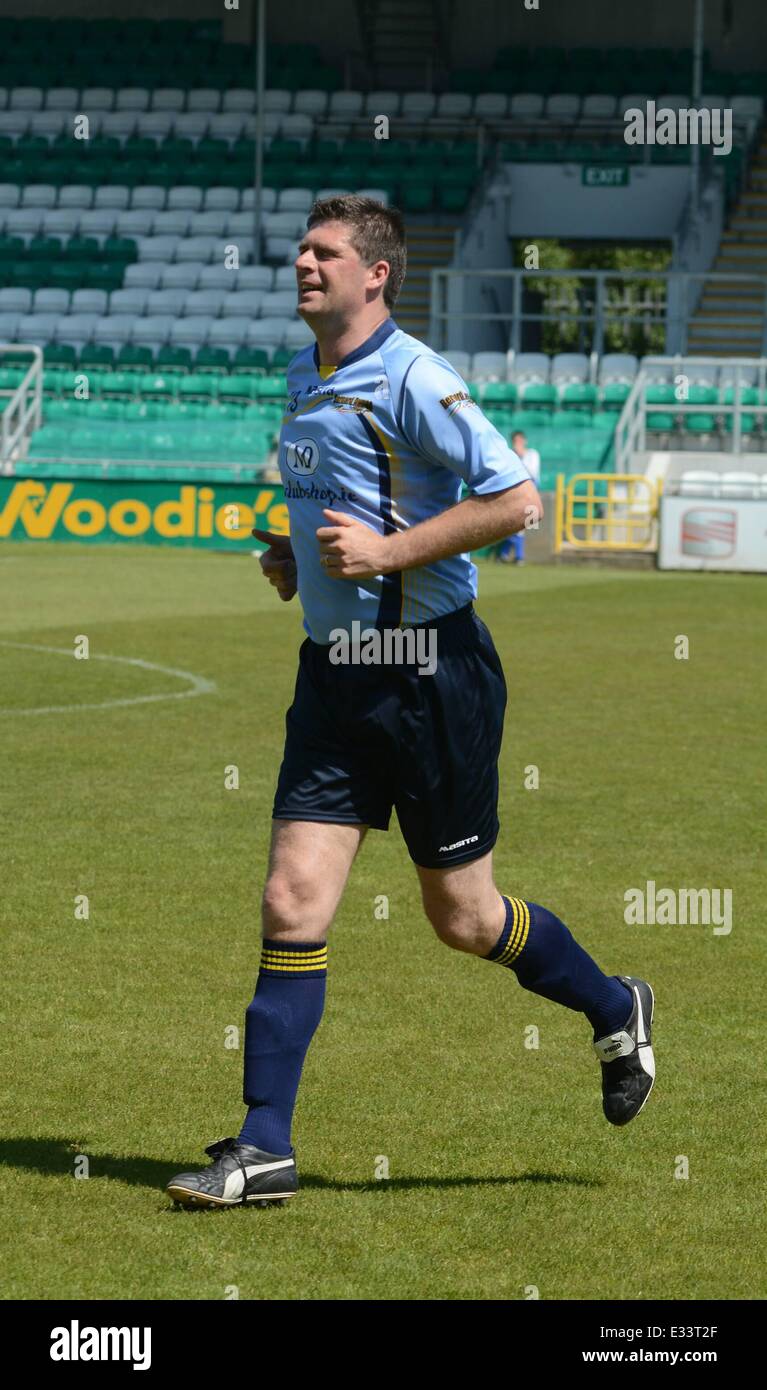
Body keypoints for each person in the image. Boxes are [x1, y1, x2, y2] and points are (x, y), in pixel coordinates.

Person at [166, 196, 655, 1209]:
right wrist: (295, 558)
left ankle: (614, 1006)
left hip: (430, 674)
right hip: (333, 671)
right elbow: (343, 503)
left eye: (323, 252)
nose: (302, 263)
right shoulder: (307, 372)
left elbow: (516, 498)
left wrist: (386, 555)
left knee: (463, 917)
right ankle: (263, 1147)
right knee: (289, 898)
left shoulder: (416, 376)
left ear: (374, 274)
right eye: (301, 249)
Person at [498, 431, 541, 564]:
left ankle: (508, 555)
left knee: (525, 524)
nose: (518, 444)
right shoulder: (510, 454)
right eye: (515, 441)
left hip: (530, 491)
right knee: (514, 524)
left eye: (520, 440)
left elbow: (533, 473)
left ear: (524, 441)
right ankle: (515, 556)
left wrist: (521, 455)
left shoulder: (532, 454)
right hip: (513, 491)